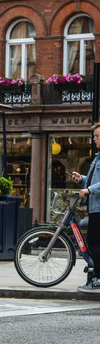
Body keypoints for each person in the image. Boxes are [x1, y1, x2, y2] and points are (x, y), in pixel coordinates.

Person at [71, 122, 100, 293]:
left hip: (99, 208)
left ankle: (97, 278)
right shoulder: (97, 157)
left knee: (94, 242)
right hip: (95, 206)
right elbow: (93, 181)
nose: (94, 139)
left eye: (97, 136)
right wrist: (81, 179)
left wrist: (88, 190)